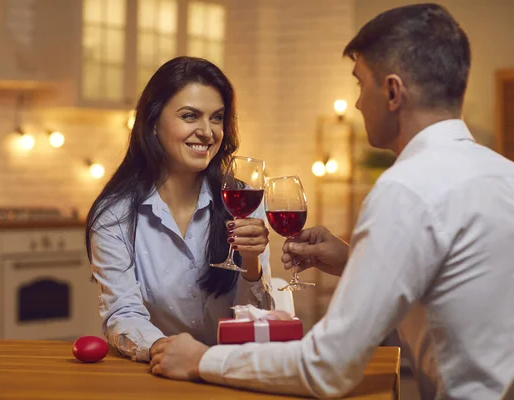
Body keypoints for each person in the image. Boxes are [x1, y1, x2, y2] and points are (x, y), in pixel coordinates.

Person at [148, 4, 514, 399]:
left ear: (392, 91)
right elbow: (454, 282)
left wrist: (202, 360)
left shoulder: (405, 189)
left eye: (360, 83)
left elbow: (327, 367)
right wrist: (352, 259)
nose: (357, 103)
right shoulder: (504, 175)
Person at [86, 56, 273, 363]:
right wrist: (171, 353)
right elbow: (123, 314)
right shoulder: (114, 215)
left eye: (216, 118)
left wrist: (252, 262)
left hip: (233, 372)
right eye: (190, 116)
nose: (207, 132)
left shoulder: (245, 201)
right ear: (153, 122)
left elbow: (257, 320)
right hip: (160, 372)